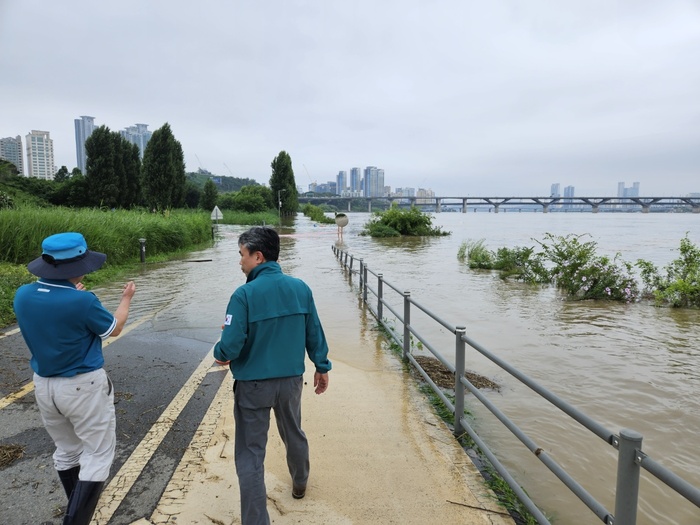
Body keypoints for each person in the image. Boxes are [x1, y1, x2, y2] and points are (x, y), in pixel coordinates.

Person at [13, 232, 136, 525]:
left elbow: (52, 311)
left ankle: (76, 510)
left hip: (44, 386)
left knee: (67, 451)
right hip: (84, 386)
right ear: (76, 265)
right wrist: (126, 299)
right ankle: (75, 520)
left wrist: (71, 292)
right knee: (98, 455)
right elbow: (113, 329)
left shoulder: (23, 295)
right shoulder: (83, 302)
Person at [213, 226, 331, 525]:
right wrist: (321, 365)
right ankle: (300, 482)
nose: (240, 261)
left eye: (242, 255)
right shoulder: (300, 288)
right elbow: (313, 331)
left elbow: (230, 344)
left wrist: (221, 352)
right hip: (291, 381)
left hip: (253, 385)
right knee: (293, 431)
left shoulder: (243, 295)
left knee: (251, 454)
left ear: (258, 255)